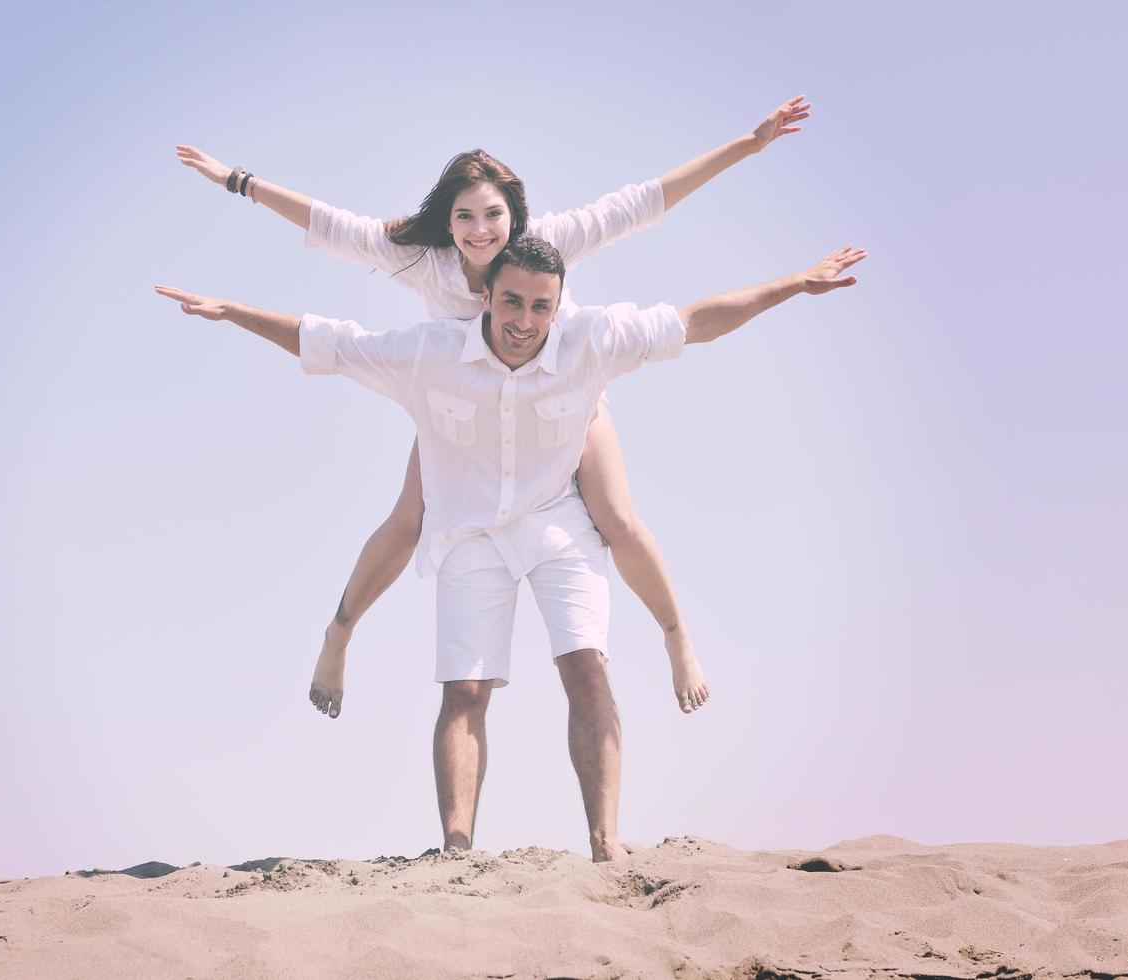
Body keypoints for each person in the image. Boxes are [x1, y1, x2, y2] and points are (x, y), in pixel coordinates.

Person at [155, 236, 866, 861]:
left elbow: (697, 320)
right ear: (486, 296)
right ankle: (457, 848)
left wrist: (796, 285)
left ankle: (604, 842)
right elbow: (330, 342)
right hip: (470, 531)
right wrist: (231, 310)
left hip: (559, 525)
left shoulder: (592, 339)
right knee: (465, 689)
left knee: (586, 668)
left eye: (540, 307)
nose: (525, 322)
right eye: (512, 303)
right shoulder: (429, 355)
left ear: (558, 306)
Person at [176, 96, 812, 720]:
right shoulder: (421, 257)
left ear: (515, 215)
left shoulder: (547, 244)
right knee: (407, 521)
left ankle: (677, 638)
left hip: (560, 397)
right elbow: (328, 225)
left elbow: (644, 202)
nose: (480, 230)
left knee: (615, 514)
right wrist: (238, 181)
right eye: (464, 217)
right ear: (447, 222)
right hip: (460, 405)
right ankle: (338, 635)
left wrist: (748, 146)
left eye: (492, 215)